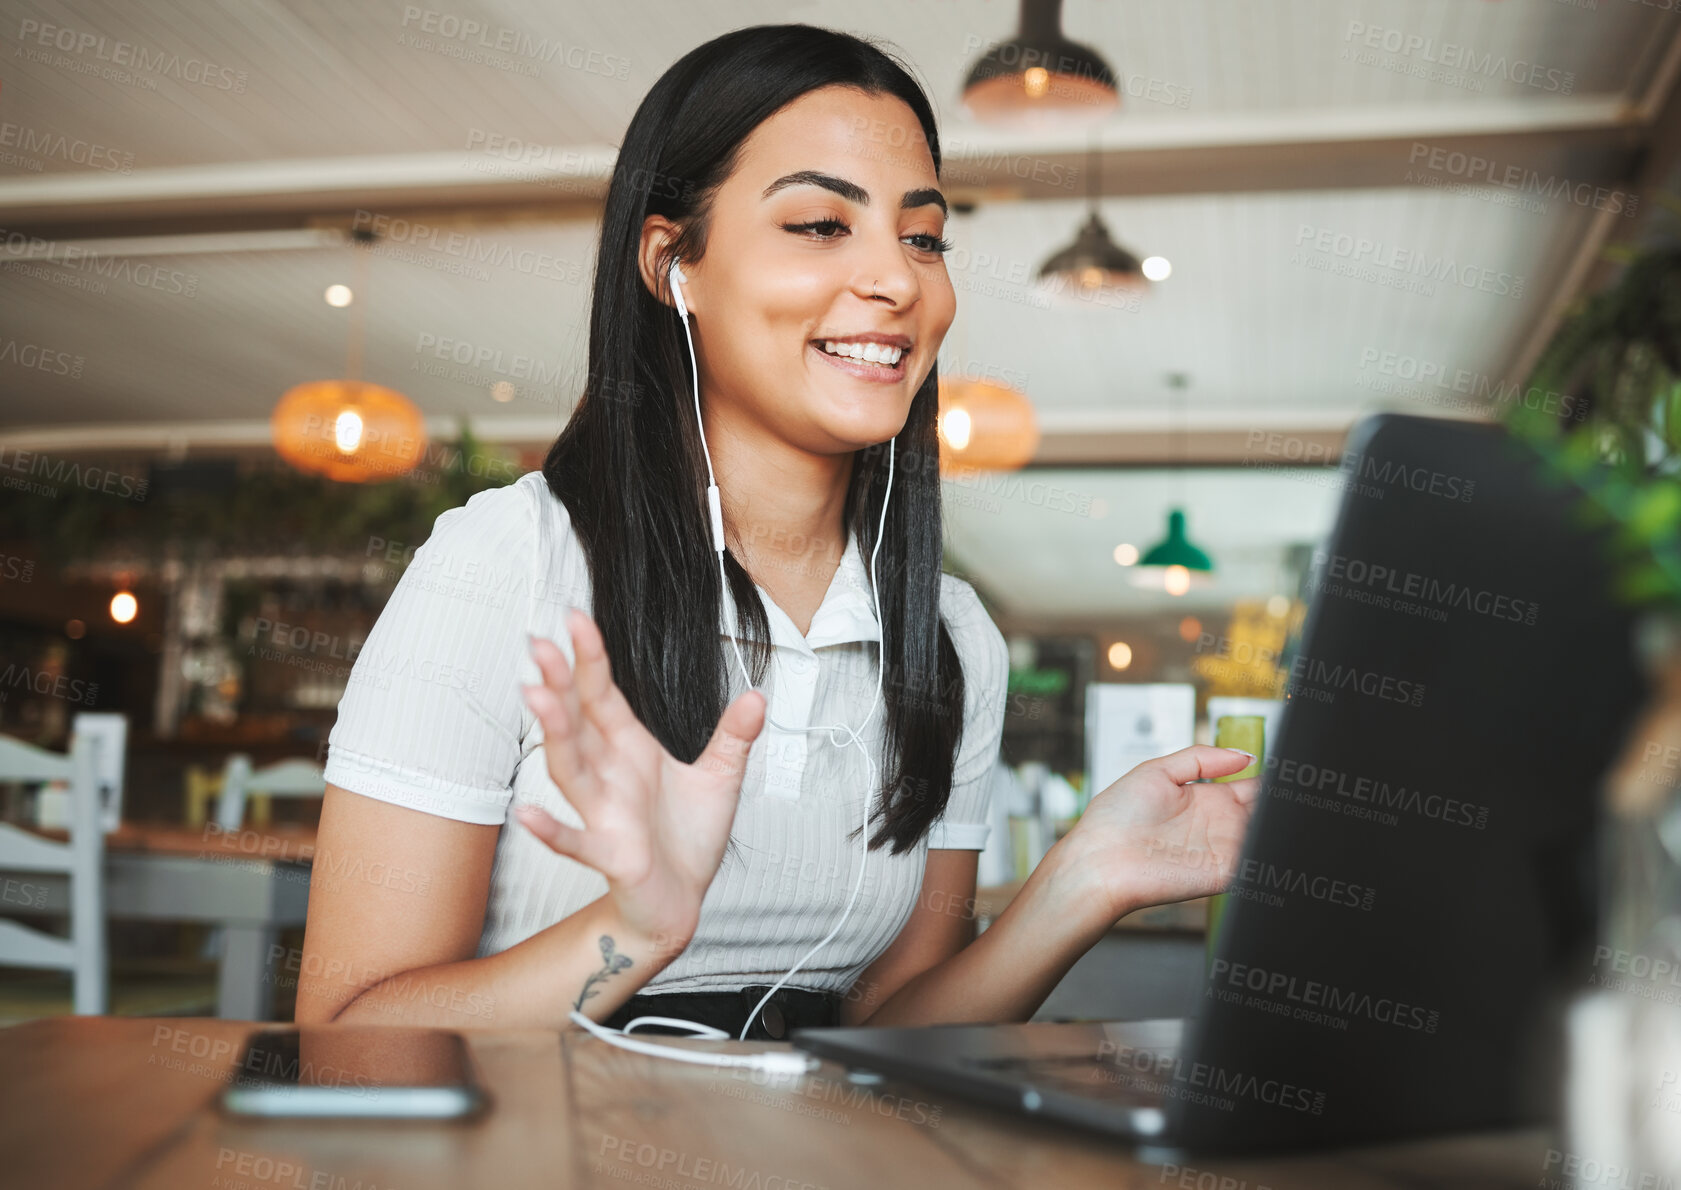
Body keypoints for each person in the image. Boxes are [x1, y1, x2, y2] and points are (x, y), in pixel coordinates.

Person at [296, 24, 1257, 1038]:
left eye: (923, 235)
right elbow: (346, 1035)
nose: (897, 279)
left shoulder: (949, 635)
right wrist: (634, 928)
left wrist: (1081, 880)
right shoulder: (505, 565)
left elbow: (891, 1035)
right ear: (674, 264)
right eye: (819, 225)